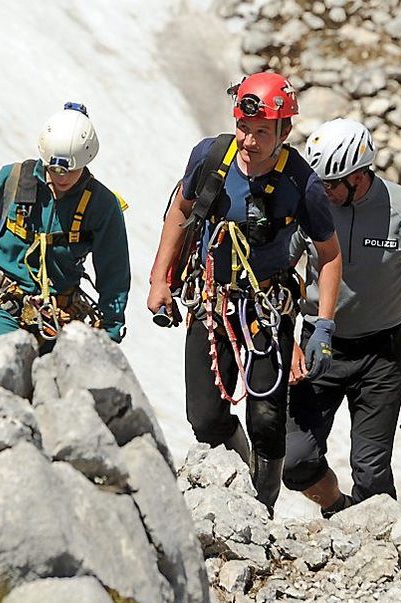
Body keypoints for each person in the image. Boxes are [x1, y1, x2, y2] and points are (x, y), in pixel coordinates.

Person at [147, 72, 342, 515]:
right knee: (205, 418)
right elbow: (181, 209)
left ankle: (261, 505)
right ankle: (240, 476)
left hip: (266, 311)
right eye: (243, 129)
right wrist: (160, 278)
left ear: (283, 132)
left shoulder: (302, 183)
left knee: (267, 419)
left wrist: (324, 324)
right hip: (211, 302)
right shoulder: (211, 156)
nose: (249, 142)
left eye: (260, 133)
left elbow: (328, 255)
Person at [284, 117, 401, 518]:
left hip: (381, 355)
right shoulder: (309, 204)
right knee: (295, 461)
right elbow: (279, 274)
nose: (322, 191)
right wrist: (286, 341)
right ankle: (339, 509)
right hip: (317, 346)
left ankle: (378, 555)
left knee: (373, 474)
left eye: (331, 184)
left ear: (358, 176)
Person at [0, 103, 130, 349]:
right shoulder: (12, 179)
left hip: (61, 317)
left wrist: (110, 329)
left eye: (70, 170)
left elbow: (114, 272)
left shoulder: (102, 205)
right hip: (2, 305)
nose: (62, 177)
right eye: (54, 169)